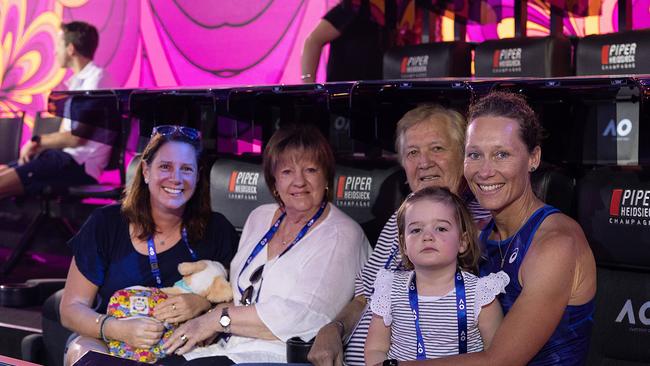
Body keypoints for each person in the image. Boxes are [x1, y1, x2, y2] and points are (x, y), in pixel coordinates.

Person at [396, 92, 597, 365]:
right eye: (475, 155)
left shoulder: (556, 243)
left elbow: (499, 361)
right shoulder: (477, 234)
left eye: (501, 154)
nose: (485, 171)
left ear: (533, 158)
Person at [161, 124, 371, 365]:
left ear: (326, 178)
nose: (299, 181)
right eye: (287, 172)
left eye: (310, 170)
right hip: (230, 346)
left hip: (282, 356)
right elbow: (243, 296)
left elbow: (307, 318)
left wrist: (218, 319)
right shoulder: (260, 217)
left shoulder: (341, 234)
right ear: (274, 181)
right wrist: (209, 316)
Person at [308, 104, 491, 366]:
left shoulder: (478, 222)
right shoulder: (399, 219)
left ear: (463, 155)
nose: (424, 162)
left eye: (437, 148)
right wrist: (334, 329)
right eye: (413, 152)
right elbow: (363, 297)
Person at [59, 125, 238, 366]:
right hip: (109, 341)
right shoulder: (106, 223)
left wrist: (203, 304)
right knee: (86, 355)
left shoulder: (218, 229)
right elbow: (71, 308)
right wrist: (117, 329)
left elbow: (238, 301)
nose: (176, 178)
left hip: (185, 351)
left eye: (186, 169)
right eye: (165, 166)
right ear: (145, 171)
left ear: (197, 176)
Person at [365, 187, 507, 365]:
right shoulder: (390, 289)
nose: (427, 236)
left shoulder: (480, 294)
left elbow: (498, 356)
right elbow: (375, 349)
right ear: (404, 246)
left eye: (441, 228)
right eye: (416, 230)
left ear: (462, 242)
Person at [0, 21, 113, 200]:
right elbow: (66, 136)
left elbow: (77, 137)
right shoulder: (77, 82)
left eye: (58, 46)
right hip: (61, 160)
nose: (54, 52)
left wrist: (35, 142)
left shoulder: (97, 80)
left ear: (71, 49)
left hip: (78, 165)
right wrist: (39, 148)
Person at [301, 0, 414, 83]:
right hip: (344, 97)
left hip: (376, 93)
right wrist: (309, 86)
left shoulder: (393, 8)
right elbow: (313, 41)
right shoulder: (354, 6)